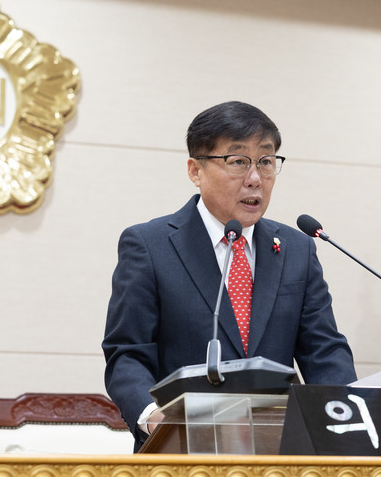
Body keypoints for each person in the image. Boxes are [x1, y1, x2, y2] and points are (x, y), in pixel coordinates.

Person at [102, 101, 356, 451]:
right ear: (195, 170)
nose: (255, 179)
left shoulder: (297, 249)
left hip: (279, 454)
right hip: (181, 453)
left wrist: (347, 416)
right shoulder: (150, 245)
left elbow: (324, 352)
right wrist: (153, 419)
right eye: (238, 161)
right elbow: (127, 354)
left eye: (265, 161)